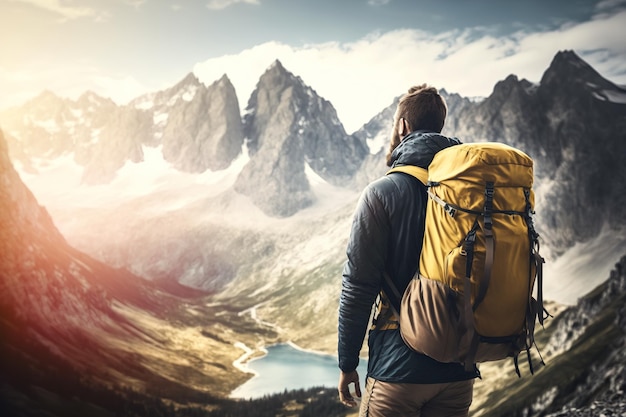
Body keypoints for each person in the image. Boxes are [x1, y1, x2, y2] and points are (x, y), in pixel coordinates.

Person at [337, 84, 479, 417]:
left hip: (399, 369)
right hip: (459, 371)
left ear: (402, 126)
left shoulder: (382, 192)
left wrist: (347, 364)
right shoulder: (470, 191)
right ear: (440, 125)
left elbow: (358, 287)